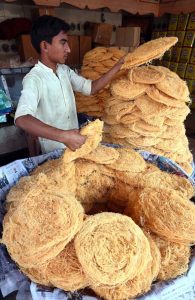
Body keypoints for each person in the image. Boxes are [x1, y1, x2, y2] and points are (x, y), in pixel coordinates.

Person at [15, 15, 124, 154]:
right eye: (63, 42)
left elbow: (91, 88)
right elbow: (22, 119)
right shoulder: (34, 79)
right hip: (53, 153)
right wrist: (63, 136)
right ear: (44, 46)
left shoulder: (64, 71)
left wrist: (118, 66)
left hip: (74, 147)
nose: (68, 49)